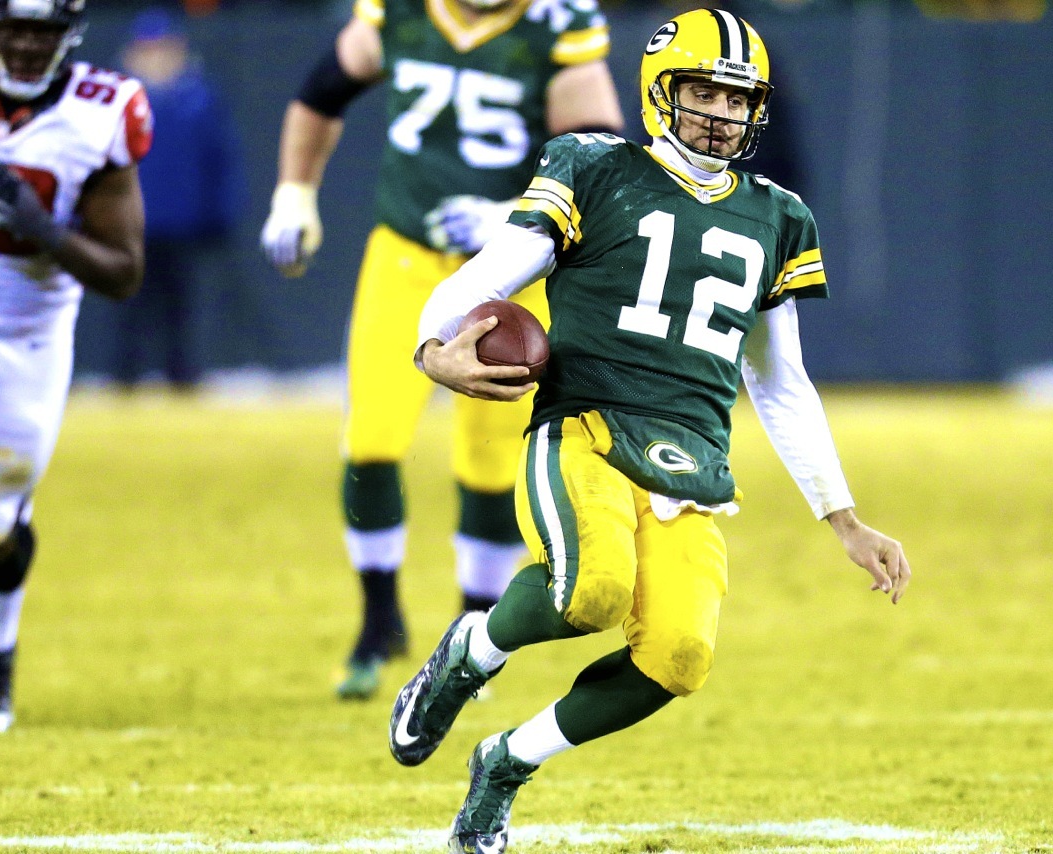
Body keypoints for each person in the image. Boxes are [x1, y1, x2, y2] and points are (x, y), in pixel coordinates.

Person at [388, 9, 911, 851]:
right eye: (704, 90)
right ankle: (471, 650)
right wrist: (431, 348)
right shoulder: (595, 168)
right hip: (586, 426)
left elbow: (780, 383)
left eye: (738, 98)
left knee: (678, 657)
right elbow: (491, 272)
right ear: (660, 93)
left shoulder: (780, 217)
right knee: (590, 589)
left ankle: (507, 762)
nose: (722, 112)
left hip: (691, 461)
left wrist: (842, 517)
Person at [259, 0, 624, 700]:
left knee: (489, 458)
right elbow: (318, 93)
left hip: (508, 271)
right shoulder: (399, 11)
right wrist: (294, 191)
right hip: (406, 255)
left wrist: (513, 213)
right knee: (370, 439)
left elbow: (600, 159)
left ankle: (469, 630)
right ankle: (376, 622)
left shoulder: (555, 20)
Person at [0, 0, 151, 731]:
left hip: (28, 336)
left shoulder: (102, 112)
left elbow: (123, 273)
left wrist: (43, 230)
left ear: (70, 35)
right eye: (15, 27)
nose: (27, 45)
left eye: (44, 30)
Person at [109, 7, 244, 392]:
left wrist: (219, 213)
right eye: (148, 50)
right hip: (132, 227)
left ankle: (181, 377)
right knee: (130, 307)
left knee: (180, 307)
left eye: (164, 49)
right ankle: (125, 378)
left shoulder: (198, 98)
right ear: (132, 54)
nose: (157, 58)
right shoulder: (117, 105)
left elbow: (220, 159)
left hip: (183, 225)